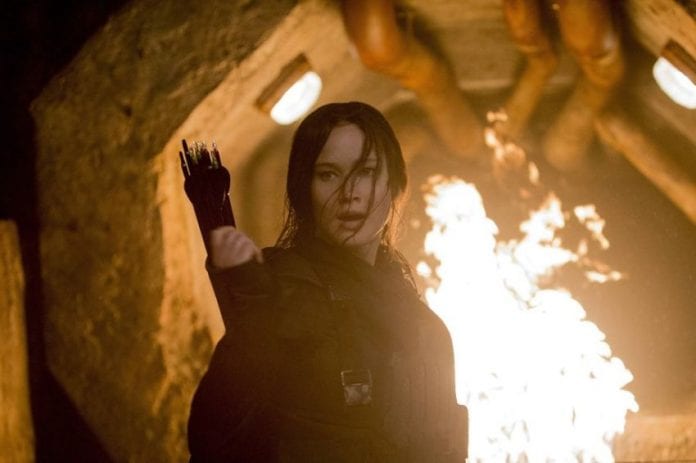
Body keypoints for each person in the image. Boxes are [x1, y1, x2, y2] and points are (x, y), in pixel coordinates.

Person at [187, 102, 468, 462]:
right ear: (303, 190)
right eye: (328, 174)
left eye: (366, 171)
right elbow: (212, 441)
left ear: (395, 184)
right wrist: (256, 325)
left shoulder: (424, 326)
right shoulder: (277, 294)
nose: (349, 192)